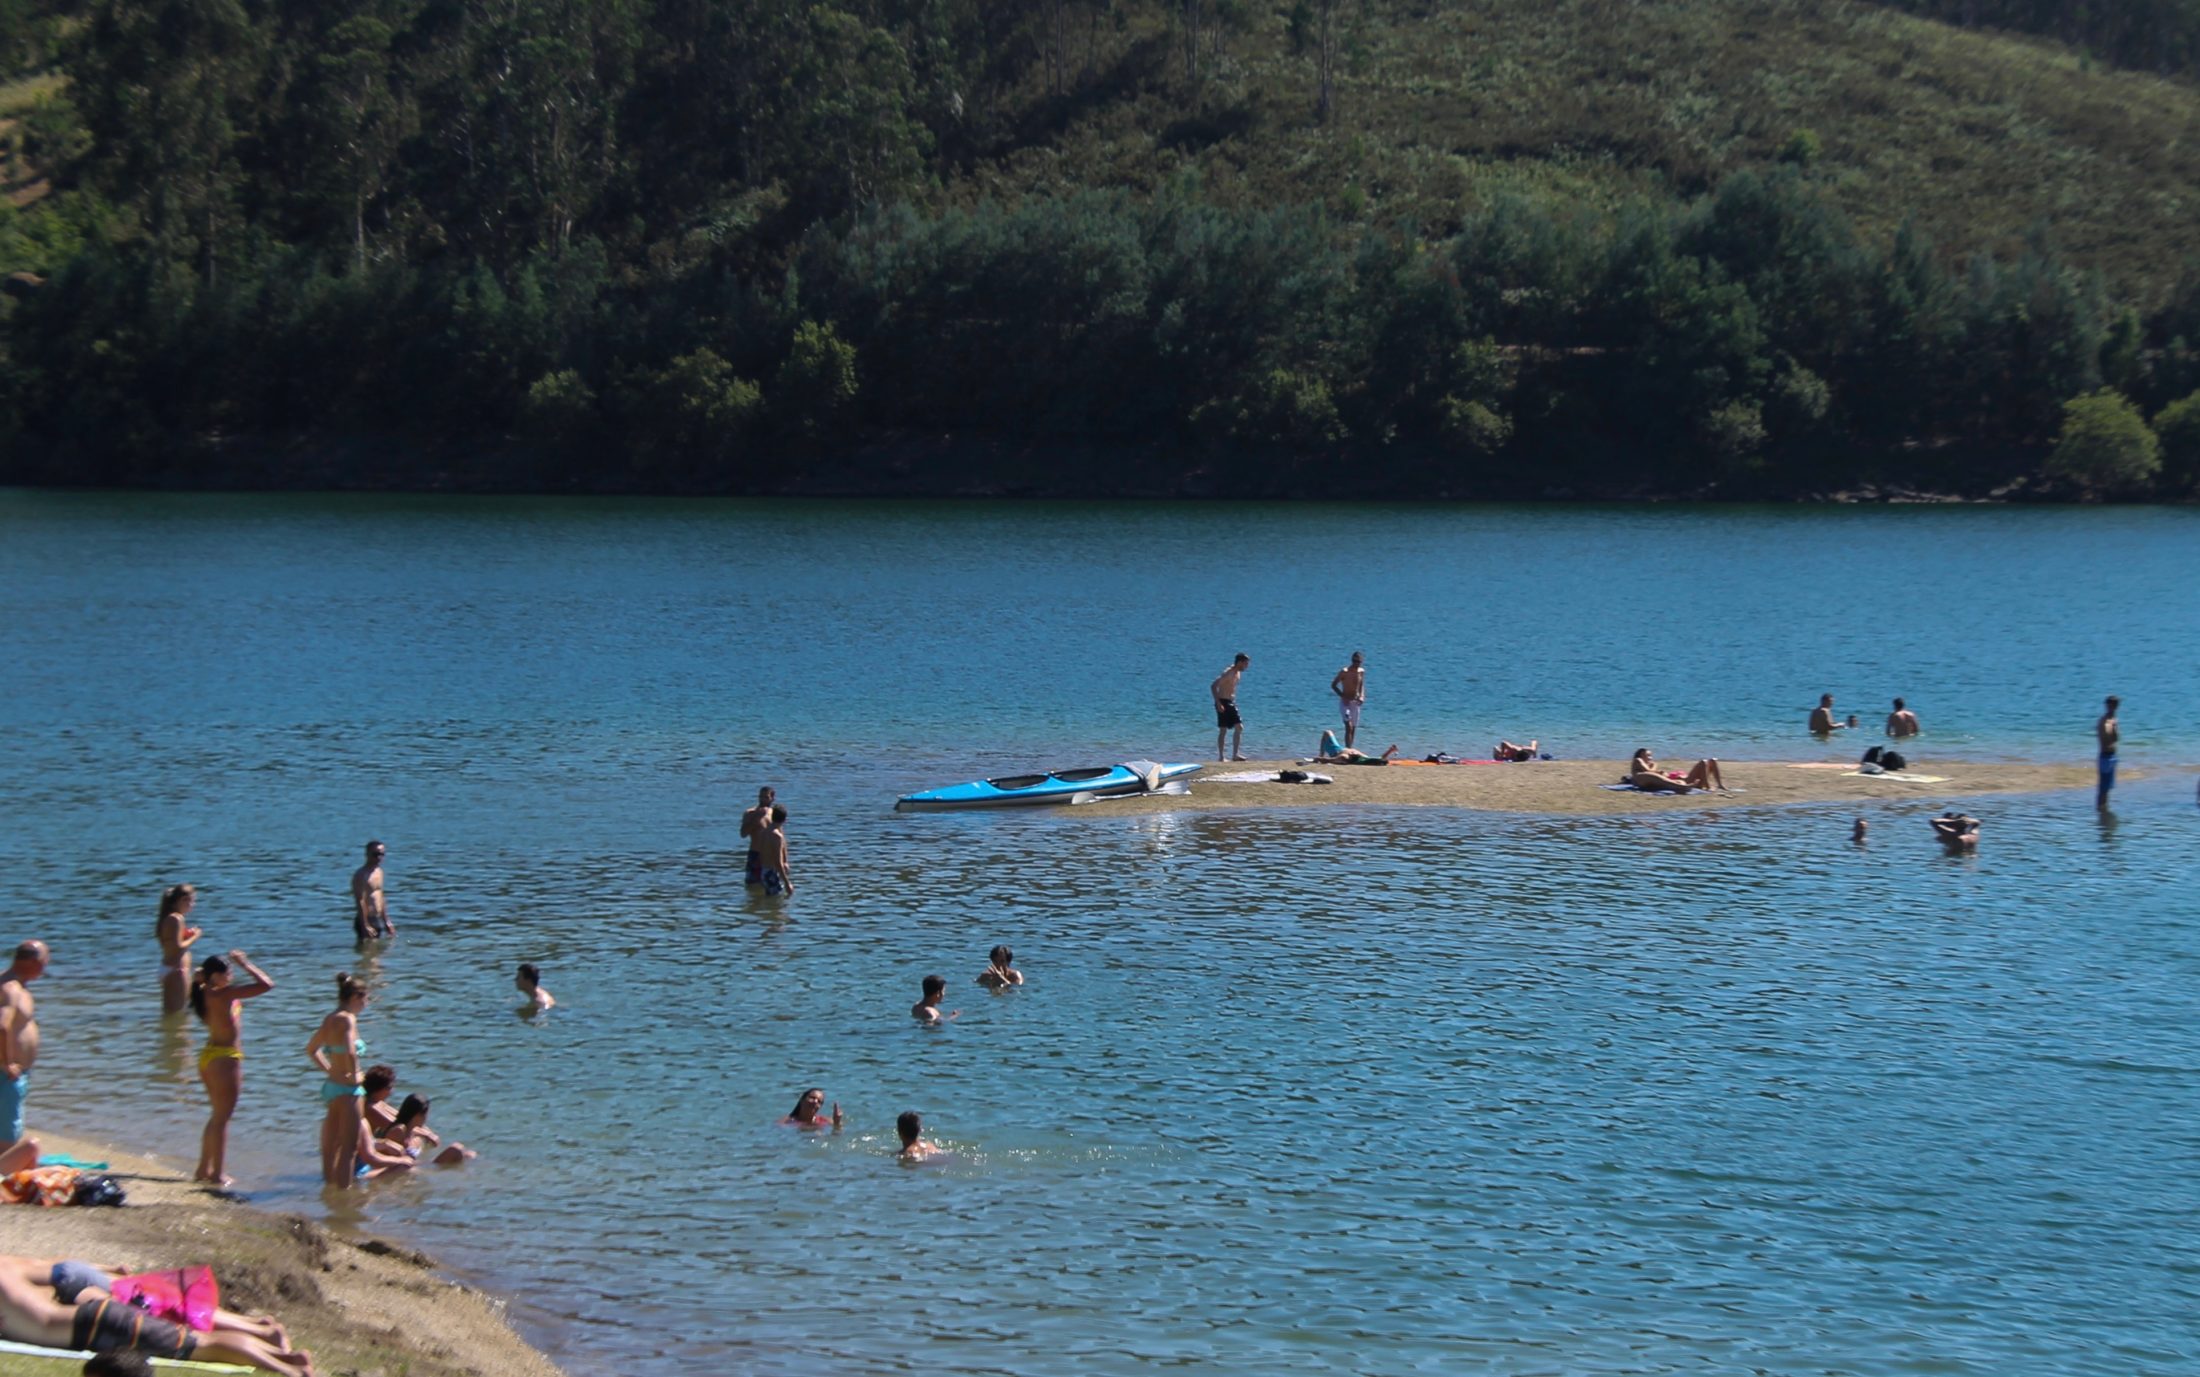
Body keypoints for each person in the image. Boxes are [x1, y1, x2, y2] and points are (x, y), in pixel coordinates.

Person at [0, 1258, 313, 1377]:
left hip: (101, 1326)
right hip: (95, 1314)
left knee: (204, 1345)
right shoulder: (8, 1273)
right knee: (200, 1341)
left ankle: (288, 1369)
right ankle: (283, 1355)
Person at [189, 950, 274, 1187]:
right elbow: (267, 984)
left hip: (209, 1057)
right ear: (215, 976)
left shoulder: (205, 991)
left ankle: (203, 1169)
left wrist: (202, 976)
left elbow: (200, 979)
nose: (232, 974)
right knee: (222, 1118)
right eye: (228, 971)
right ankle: (217, 1174)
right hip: (225, 1058)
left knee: (216, 1116)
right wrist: (246, 963)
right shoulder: (224, 994)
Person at [305, 973, 371, 1188]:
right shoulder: (347, 1019)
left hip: (332, 1086)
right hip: (349, 1090)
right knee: (349, 1149)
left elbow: (312, 1049)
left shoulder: (330, 1018)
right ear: (355, 997)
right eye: (365, 999)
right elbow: (351, 1052)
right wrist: (354, 1076)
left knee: (330, 1146)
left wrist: (330, 1070)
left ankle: (329, 1190)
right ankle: (343, 1196)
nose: (366, 1004)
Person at [0, 941, 46, 1177]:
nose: (45, 968)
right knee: (8, 1138)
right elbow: (2, 1026)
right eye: (44, 962)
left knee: (9, 1130)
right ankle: (6, 1178)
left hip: (12, 1072)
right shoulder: (10, 989)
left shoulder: (15, 986)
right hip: (7, 1074)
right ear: (33, 962)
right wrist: (7, 1063)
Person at [379, 1094, 475, 1167]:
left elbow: (435, 1141)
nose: (426, 1118)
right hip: (413, 1168)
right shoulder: (398, 1131)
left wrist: (427, 1135)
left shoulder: (413, 1130)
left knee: (469, 1154)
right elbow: (385, 1159)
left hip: (418, 1165)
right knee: (456, 1149)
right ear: (418, 1115)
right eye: (425, 1114)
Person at [155, 886, 202, 1016]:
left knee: (170, 1014)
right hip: (177, 971)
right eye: (191, 901)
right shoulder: (176, 918)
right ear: (183, 900)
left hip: (170, 968)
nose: (193, 905)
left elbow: (171, 942)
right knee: (178, 1015)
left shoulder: (169, 918)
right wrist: (195, 936)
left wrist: (187, 934)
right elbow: (178, 947)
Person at [1627, 749, 1724, 793]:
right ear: (1640, 755)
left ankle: (1720, 784)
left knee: (1712, 761)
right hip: (1681, 781)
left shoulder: (1648, 768)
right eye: (1647, 755)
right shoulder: (1638, 760)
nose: (1650, 758)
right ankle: (1705, 786)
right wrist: (1655, 767)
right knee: (1703, 762)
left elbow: (1653, 774)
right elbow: (1647, 771)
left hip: (1681, 780)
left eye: (1651, 755)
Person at [1211, 653, 1250, 762]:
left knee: (1239, 727)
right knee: (1223, 730)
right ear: (1239, 662)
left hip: (1230, 702)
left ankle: (1235, 755)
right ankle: (1221, 757)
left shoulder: (1238, 673)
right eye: (1245, 664)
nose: (1246, 666)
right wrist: (1218, 703)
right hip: (1222, 701)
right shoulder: (1228, 673)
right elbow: (1214, 686)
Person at [350, 842, 392, 941]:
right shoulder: (361, 875)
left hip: (378, 918)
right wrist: (365, 925)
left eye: (382, 854)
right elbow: (360, 901)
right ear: (367, 854)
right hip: (365, 919)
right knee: (368, 953)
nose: (379, 858)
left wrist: (387, 921)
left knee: (377, 953)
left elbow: (381, 897)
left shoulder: (379, 872)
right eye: (375, 854)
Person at [739, 786, 777, 887]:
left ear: (772, 798)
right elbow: (743, 834)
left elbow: (781, 837)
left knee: (771, 888)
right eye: (760, 797)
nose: (762, 800)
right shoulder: (750, 813)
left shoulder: (774, 813)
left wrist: (784, 860)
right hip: (755, 854)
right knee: (753, 887)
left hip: (770, 855)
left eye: (766, 797)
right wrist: (755, 820)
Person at [1329, 651, 1367, 750]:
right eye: (1355, 661)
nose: (1356, 664)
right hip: (1345, 703)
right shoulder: (1344, 671)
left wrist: (1362, 696)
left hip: (1355, 702)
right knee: (1348, 726)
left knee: (1353, 727)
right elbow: (1333, 685)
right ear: (1352, 661)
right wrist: (1342, 696)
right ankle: (1347, 749)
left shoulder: (1361, 671)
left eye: (1358, 662)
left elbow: (1361, 685)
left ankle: (1350, 749)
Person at [755, 805, 794, 897]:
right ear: (785, 820)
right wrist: (787, 883)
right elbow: (778, 862)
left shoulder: (763, 832)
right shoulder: (777, 837)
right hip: (771, 873)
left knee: (770, 901)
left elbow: (760, 853)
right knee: (777, 906)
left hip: (763, 871)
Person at [1315, 730, 1396, 765]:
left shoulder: (1344, 757)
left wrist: (1318, 758)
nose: (1354, 751)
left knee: (1327, 732)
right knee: (1327, 733)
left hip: (1335, 749)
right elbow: (1380, 758)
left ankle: (1321, 753)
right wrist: (1390, 751)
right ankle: (1321, 753)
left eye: (1353, 752)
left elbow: (1328, 760)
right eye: (1354, 752)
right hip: (1341, 749)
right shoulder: (1362, 758)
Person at [2096, 695, 2120, 810]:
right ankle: (2100, 811)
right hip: (2105, 756)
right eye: (2112, 705)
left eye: (2116, 706)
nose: (2114, 708)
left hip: (2111, 756)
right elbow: (2108, 737)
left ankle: (2104, 811)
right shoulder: (2105, 721)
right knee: (2103, 788)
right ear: (2107, 706)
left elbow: (2116, 738)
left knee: (2108, 788)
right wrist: (2113, 729)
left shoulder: (2113, 720)